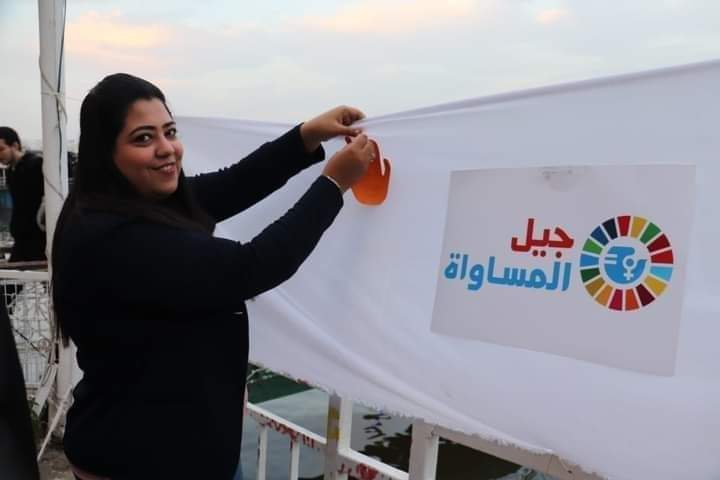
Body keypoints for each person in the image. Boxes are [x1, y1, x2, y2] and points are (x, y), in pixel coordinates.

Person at [51, 73, 374, 480]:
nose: (166, 148)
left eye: (170, 132)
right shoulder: (114, 235)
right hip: (141, 458)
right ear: (104, 152)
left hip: (182, 446)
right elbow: (253, 265)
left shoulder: (134, 200)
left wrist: (306, 136)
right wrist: (332, 184)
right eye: (143, 138)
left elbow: (233, 184)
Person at [0, 127, 46, 263]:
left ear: (15, 145)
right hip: (22, 239)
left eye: (1, 149)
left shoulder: (36, 165)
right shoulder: (11, 172)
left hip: (38, 240)